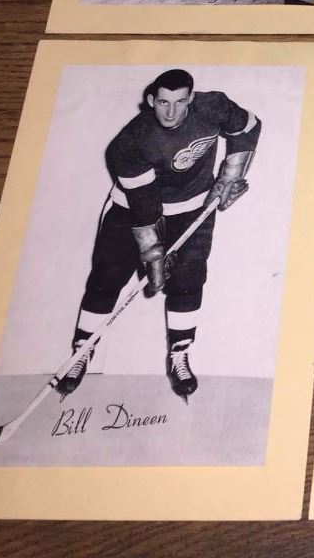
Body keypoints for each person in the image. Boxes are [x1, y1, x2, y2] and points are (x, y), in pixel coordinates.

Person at [56, 69, 261, 401]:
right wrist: (154, 258)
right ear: (151, 100)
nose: (171, 112)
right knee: (107, 279)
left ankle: (179, 353)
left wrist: (230, 175)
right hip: (131, 210)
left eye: (180, 102)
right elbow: (146, 206)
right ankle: (82, 349)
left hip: (193, 207)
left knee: (189, 280)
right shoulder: (130, 143)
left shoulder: (213, 107)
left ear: (191, 98)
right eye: (164, 102)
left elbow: (248, 128)